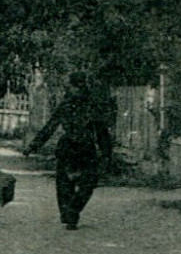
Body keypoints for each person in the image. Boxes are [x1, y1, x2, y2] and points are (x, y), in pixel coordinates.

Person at [25, 72, 114, 230]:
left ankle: (72, 209)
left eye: (80, 86)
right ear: (71, 87)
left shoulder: (91, 105)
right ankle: (69, 213)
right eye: (75, 86)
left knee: (88, 182)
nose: (77, 89)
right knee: (65, 184)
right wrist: (33, 146)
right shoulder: (67, 105)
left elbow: (101, 130)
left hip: (85, 147)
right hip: (69, 148)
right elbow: (50, 126)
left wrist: (106, 152)